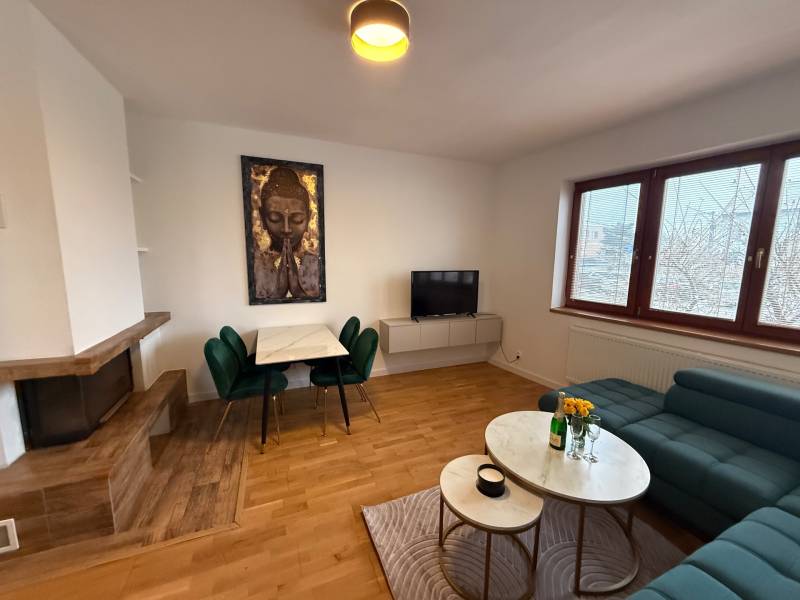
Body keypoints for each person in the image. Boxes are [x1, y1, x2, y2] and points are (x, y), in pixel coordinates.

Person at [253, 167, 320, 300]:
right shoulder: (256, 264)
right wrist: (278, 292)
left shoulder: (315, 264)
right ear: (262, 217)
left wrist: (297, 290)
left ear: (309, 217)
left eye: (297, 219)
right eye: (275, 218)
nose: (286, 229)